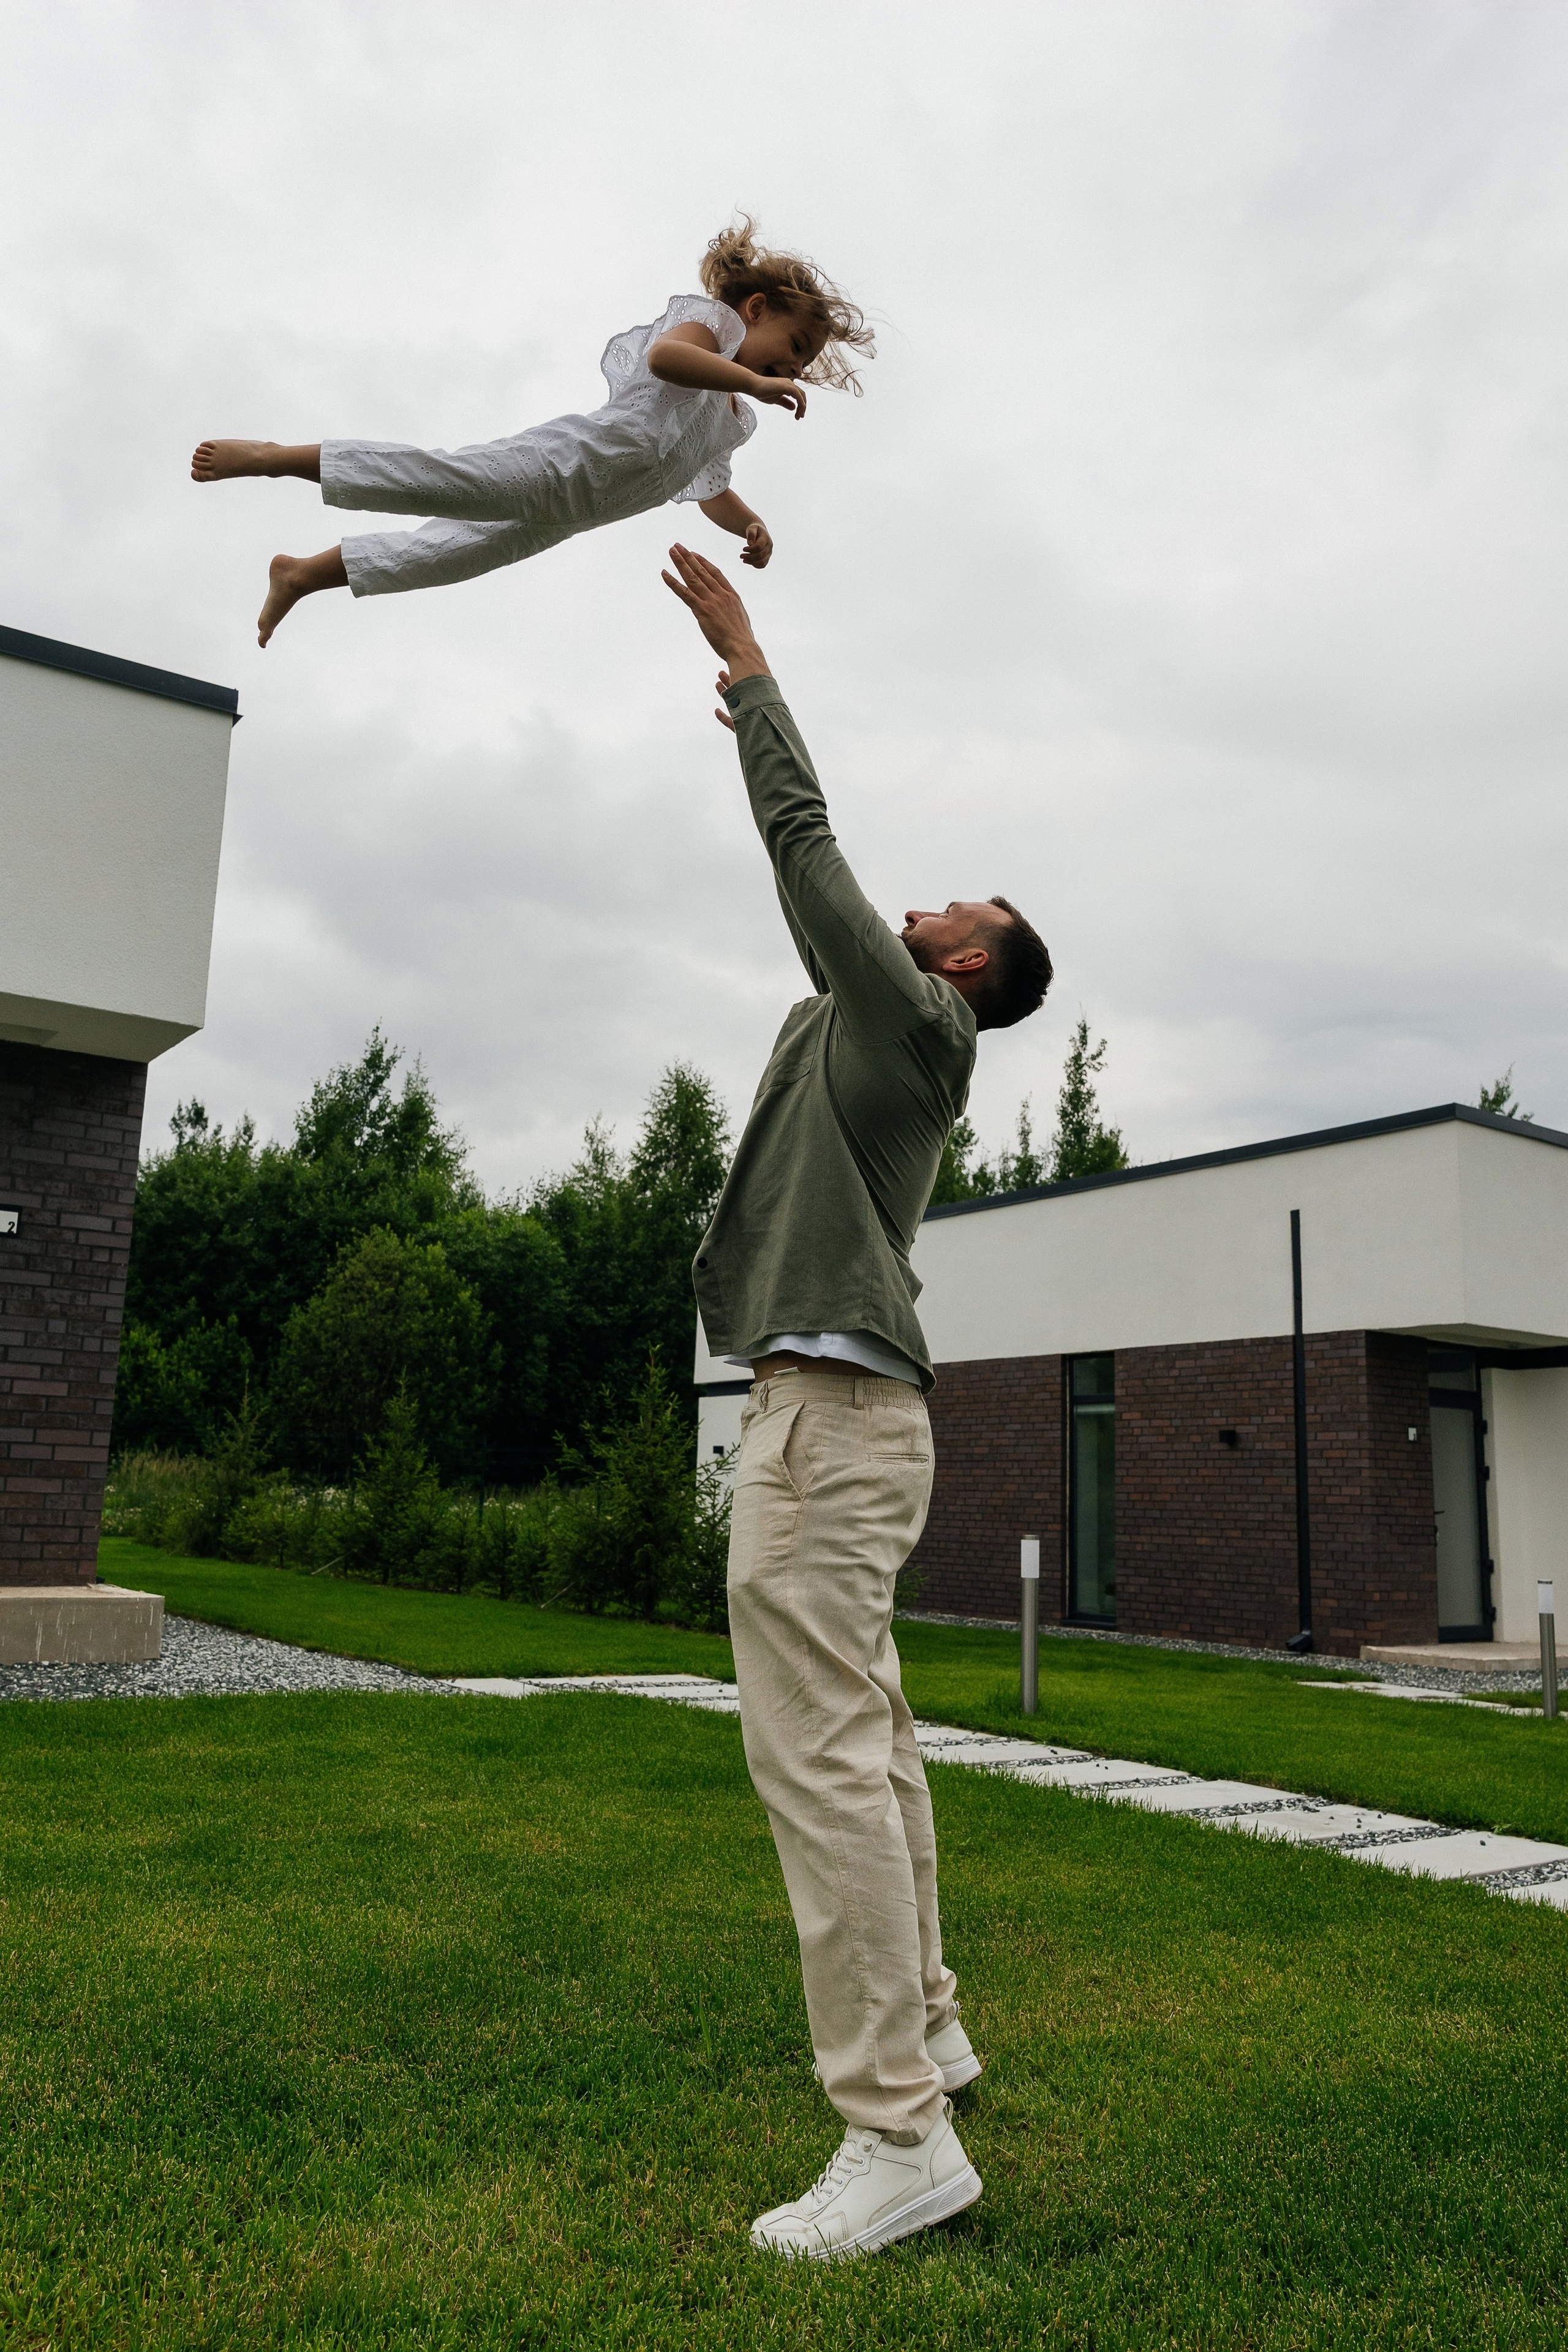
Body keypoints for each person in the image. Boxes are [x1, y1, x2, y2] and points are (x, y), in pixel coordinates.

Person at [660, 543, 1054, 2260]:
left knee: (819, 1763)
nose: (936, 899)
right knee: (872, 1744)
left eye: (966, 904)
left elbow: (808, 857)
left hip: (833, 1429)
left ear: (968, 969)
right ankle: (938, 2032)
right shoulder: (866, 1019)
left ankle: (895, 2138)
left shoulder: (918, 1028)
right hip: (843, 1417)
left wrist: (749, 666)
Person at [190, 219, 873, 647]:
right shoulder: (714, 333)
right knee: (441, 480)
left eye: (806, 363)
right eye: (797, 345)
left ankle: (303, 573)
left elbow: (709, 489)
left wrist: (751, 525)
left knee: (448, 556)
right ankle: (277, 458)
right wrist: (750, 378)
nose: (797, 367)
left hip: (578, 512)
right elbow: (667, 359)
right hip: (567, 463)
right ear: (755, 310)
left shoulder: (734, 421)